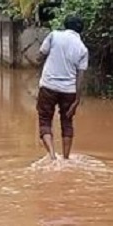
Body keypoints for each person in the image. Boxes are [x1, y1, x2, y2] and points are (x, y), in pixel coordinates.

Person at [37, 16, 89, 161]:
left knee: (45, 119)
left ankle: (52, 156)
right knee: (67, 122)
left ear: (65, 25)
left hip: (48, 86)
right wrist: (77, 100)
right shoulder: (83, 49)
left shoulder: (54, 36)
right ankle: (66, 158)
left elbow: (41, 54)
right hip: (69, 90)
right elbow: (80, 76)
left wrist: (39, 61)